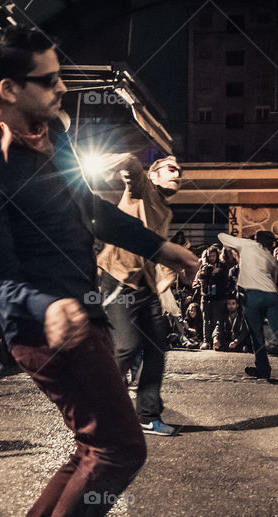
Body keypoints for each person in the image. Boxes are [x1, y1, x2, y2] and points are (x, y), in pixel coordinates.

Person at [0, 26, 198, 517]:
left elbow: (86, 208)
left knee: (94, 446)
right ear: (8, 89)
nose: (62, 88)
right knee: (119, 448)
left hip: (81, 313)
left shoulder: (53, 133)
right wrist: (47, 307)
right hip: (46, 330)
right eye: (49, 80)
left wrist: (158, 246)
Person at [96, 153, 181, 436]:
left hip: (145, 285)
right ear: (153, 175)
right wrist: (110, 163)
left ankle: (147, 416)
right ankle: (97, 405)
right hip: (119, 280)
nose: (177, 174)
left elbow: (158, 248)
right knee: (127, 347)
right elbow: (132, 166)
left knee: (156, 349)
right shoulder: (142, 191)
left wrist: (166, 276)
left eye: (179, 172)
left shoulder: (165, 212)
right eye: (171, 169)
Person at [218, 230, 278, 384]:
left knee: (257, 334)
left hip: (253, 295)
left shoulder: (247, 245)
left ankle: (263, 368)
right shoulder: (269, 257)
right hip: (271, 295)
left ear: (256, 238)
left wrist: (239, 242)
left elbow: (221, 236)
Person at [194, 245, 230, 348]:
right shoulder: (204, 266)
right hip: (206, 296)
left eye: (213, 256)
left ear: (217, 256)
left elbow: (226, 280)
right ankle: (206, 341)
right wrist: (204, 272)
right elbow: (199, 278)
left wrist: (218, 272)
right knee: (206, 320)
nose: (211, 258)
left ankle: (216, 340)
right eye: (210, 256)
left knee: (217, 319)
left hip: (218, 297)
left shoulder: (222, 266)